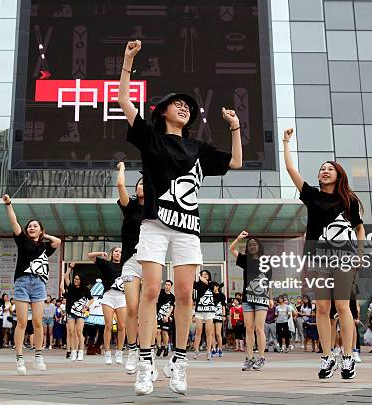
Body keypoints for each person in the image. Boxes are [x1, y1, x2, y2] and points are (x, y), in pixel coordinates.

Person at [118, 39, 242, 395]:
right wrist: (128, 61)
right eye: (178, 103)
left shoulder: (198, 148)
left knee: (186, 294)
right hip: (155, 225)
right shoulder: (152, 139)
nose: (185, 107)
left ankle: (179, 361)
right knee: (151, 290)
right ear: (162, 112)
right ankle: (145, 362)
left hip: (187, 229)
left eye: (188, 105)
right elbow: (125, 101)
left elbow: (234, 163)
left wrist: (234, 127)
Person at [283, 128, 365, 380]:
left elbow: (359, 229)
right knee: (321, 308)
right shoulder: (312, 196)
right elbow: (291, 171)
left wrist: (359, 255)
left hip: (343, 257)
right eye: (322, 168)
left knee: (342, 306)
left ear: (338, 175)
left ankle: (349, 357)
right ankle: (328, 356)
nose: (324, 171)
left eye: (330, 168)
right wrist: (286, 143)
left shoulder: (348, 200)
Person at [2, 193, 61, 375]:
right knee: (21, 322)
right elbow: (14, 222)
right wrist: (9, 205)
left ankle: (38, 356)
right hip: (22, 282)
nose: (31, 228)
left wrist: (44, 235)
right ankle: (20, 359)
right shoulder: (22, 241)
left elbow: (57, 242)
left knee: (37, 322)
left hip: (39, 284)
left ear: (40, 230)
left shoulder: (44, 247)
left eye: (35, 226)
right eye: (30, 226)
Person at [115, 161, 145, 375]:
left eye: (146, 183)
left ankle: (148, 350)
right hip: (131, 261)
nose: (142, 185)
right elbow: (120, 187)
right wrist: (123, 169)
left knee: (148, 310)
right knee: (132, 308)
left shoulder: (157, 207)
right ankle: (132, 349)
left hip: (151, 261)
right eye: (140, 183)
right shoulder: (130, 207)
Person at [229, 231, 271, 370]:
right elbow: (232, 250)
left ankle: (262, 358)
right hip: (248, 298)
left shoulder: (266, 261)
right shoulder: (245, 260)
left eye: (254, 244)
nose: (252, 246)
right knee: (249, 328)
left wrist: (270, 297)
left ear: (259, 246)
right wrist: (239, 238)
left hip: (262, 298)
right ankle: (250, 358)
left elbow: (268, 281)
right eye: (250, 244)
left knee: (259, 328)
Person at [88, 248, 127, 365]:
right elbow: (89, 256)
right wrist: (100, 253)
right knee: (108, 325)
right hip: (108, 296)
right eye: (116, 251)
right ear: (112, 253)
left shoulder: (125, 266)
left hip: (121, 296)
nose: (118, 253)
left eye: (120, 252)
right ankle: (107, 352)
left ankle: (119, 352)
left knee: (121, 325)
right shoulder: (106, 264)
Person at [62, 263, 91, 361]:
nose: (76, 280)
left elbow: (91, 299)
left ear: (81, 280)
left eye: (78, 279)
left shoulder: (85, 289)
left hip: (80, 313)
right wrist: (70, 268)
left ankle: (81, 351)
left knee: (79, 332)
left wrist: (86, 307)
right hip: (70, 312)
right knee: (71, 332)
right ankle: (73, 351)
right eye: (75, 279)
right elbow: (66, 277)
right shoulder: (70, 287)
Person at [192, 270, 216, 361]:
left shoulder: (211, 283)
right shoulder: (198, 284)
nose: (204, 276)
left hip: (209, 311)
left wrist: (199, 275)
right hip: (199, 311)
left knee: (209, 332)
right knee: (198, 332)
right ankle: (196, 351)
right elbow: (191, 284)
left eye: (206, 274)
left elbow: (208, 284)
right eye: (202, 275)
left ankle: (208, 351)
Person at [156, 280, 175, 358]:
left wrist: (167, 316)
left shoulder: (172, 297)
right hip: (158, 316)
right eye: (166, 284)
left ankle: (166, 347)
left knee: (164, 332)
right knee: (158, 331)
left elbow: (171, 307)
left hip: (166, 316)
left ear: (171, 286)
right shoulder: (161, 292)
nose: (167, 286)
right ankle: (159, 347)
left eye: (168, 285)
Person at [211, 282, 227, 357]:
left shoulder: (222, 295)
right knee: (212, 334)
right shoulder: (210, 294)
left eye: (214, 286)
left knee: (218, 333)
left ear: (217, 287)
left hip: (219, 315)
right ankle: (213, 349)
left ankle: (220, 349)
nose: (213, 288)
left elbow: (223, 305)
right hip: (210, 315)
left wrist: (224, 315)